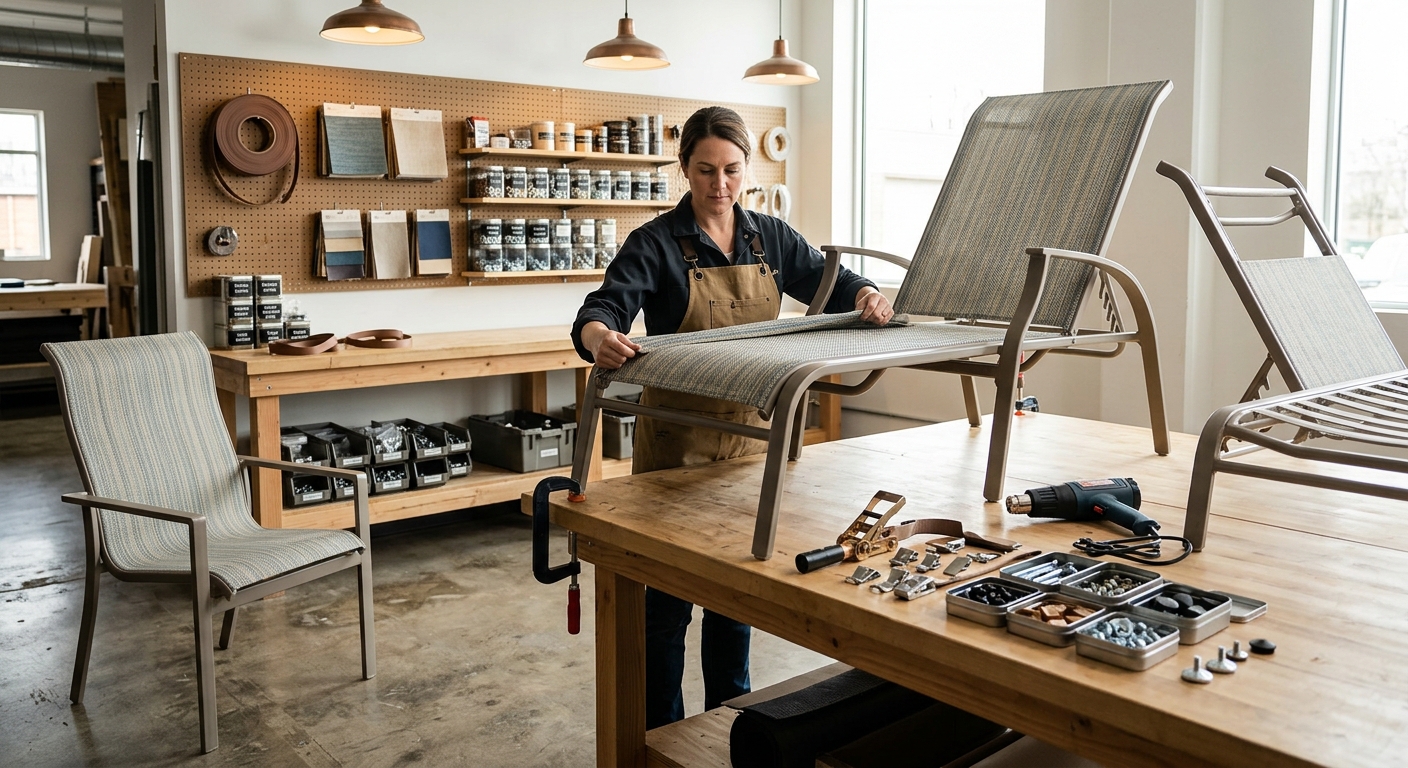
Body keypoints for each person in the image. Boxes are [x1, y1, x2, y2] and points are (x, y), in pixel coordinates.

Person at [571, 106, 893, 728]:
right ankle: (659, 736)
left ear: (748, 169)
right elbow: (605, 305)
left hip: (752, 450)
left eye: (732, 171)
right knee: (665, 610)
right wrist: (597, 335)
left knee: (733, 599)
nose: (719, 185)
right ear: (685, 169)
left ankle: (727, 728)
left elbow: (831, 277)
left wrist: (864, 295)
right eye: (704, 171)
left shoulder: (769, 237)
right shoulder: (656, 243)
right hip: (677, 454)